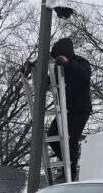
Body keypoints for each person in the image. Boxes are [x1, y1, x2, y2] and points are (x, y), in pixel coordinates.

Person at [24, 37, 91, 182]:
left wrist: (68, 64)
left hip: (79, 110)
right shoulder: (56, 68)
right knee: (53, 136)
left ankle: (71, 173)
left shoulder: (81, 63)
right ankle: (67, 167)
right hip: (64, 110)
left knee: (70, 139)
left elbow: (83, 77)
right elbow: (46, 82)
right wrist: (32, 71)